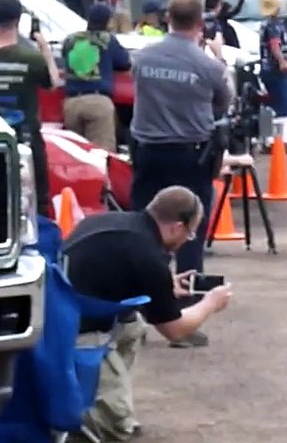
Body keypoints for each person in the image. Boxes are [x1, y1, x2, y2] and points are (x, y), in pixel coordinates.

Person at [63, 186, 233, 440]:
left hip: (60, 313)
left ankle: (102, 399)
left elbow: (113, 271)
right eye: (190, 232)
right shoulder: (149, 257)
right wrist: (210, 303)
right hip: (80, 331)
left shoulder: (112, 222)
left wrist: (165, 285)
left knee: (135, 325)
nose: (188, 239)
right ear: (176, 226)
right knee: (116, 430)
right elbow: (174, 330)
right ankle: (100, 417)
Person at [129, 0, 231, 347]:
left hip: (148, 152)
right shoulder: (208, 66)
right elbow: (223, 102)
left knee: (141, 226)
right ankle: (183, 319)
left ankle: (134, 315)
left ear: (166, 18)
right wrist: (217, 57)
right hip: (190, 154)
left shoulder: (143, 58)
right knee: (189, 233)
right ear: (200, 23)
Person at [0, 0, 60, 215]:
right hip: (26, 141)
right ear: (18, 21)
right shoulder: (31, 59)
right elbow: (53, 83)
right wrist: (44, 48)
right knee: (34, 201)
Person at [62, 3, 132, 150]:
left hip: (71, 105)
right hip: (98, 102)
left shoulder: (70, 40)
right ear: (107, 21)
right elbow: (125, 63)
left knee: (75, 155)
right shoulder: (107, 39)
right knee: (101, 154)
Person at [257, 0, 287, 140]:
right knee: (283, 105)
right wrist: (282, 62)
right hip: (275, 70)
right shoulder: (274, 25)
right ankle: (281, 140)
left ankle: (272, 140)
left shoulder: (265, 24)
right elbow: (275, 47)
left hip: (267, 69)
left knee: (273, 105)